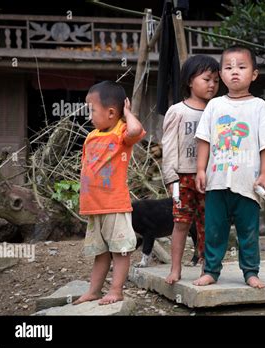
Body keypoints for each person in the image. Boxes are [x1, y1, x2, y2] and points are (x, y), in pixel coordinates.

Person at [193, 46, 265, 288]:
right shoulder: (214, 105)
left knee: (248, 232)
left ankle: (251, 272)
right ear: (221, 74)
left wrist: (264, 174)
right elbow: (204, 140)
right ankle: (210, 271)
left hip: (247, 183)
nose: (235, 72)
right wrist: (201, 169)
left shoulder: (259, 106)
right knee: (214, 230)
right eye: (228, 68)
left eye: (242, 67)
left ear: (254, 74)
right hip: (216, 181)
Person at [74, 81, 146, 305]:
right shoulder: (92, 136)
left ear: (112, 112)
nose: (89, 116)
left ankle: (116, 290)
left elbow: (136, 130)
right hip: (94, 207)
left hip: (115, 205)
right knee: (100, 252)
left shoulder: (121, 133)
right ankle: (94, 290)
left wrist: (127, 113)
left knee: (120, 250)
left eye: (92, 110)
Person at [162, 55, 220, 284]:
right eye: (207, 79)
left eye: (216, 80)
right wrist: (170, 178)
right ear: (189, 81)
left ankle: (208, 267)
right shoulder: (177, 111)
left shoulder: (217, 110)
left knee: (209, 223)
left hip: (210, 178)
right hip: (182, 178)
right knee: (181, 223)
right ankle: (175, 269)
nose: (212, 85)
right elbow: (168, 146)